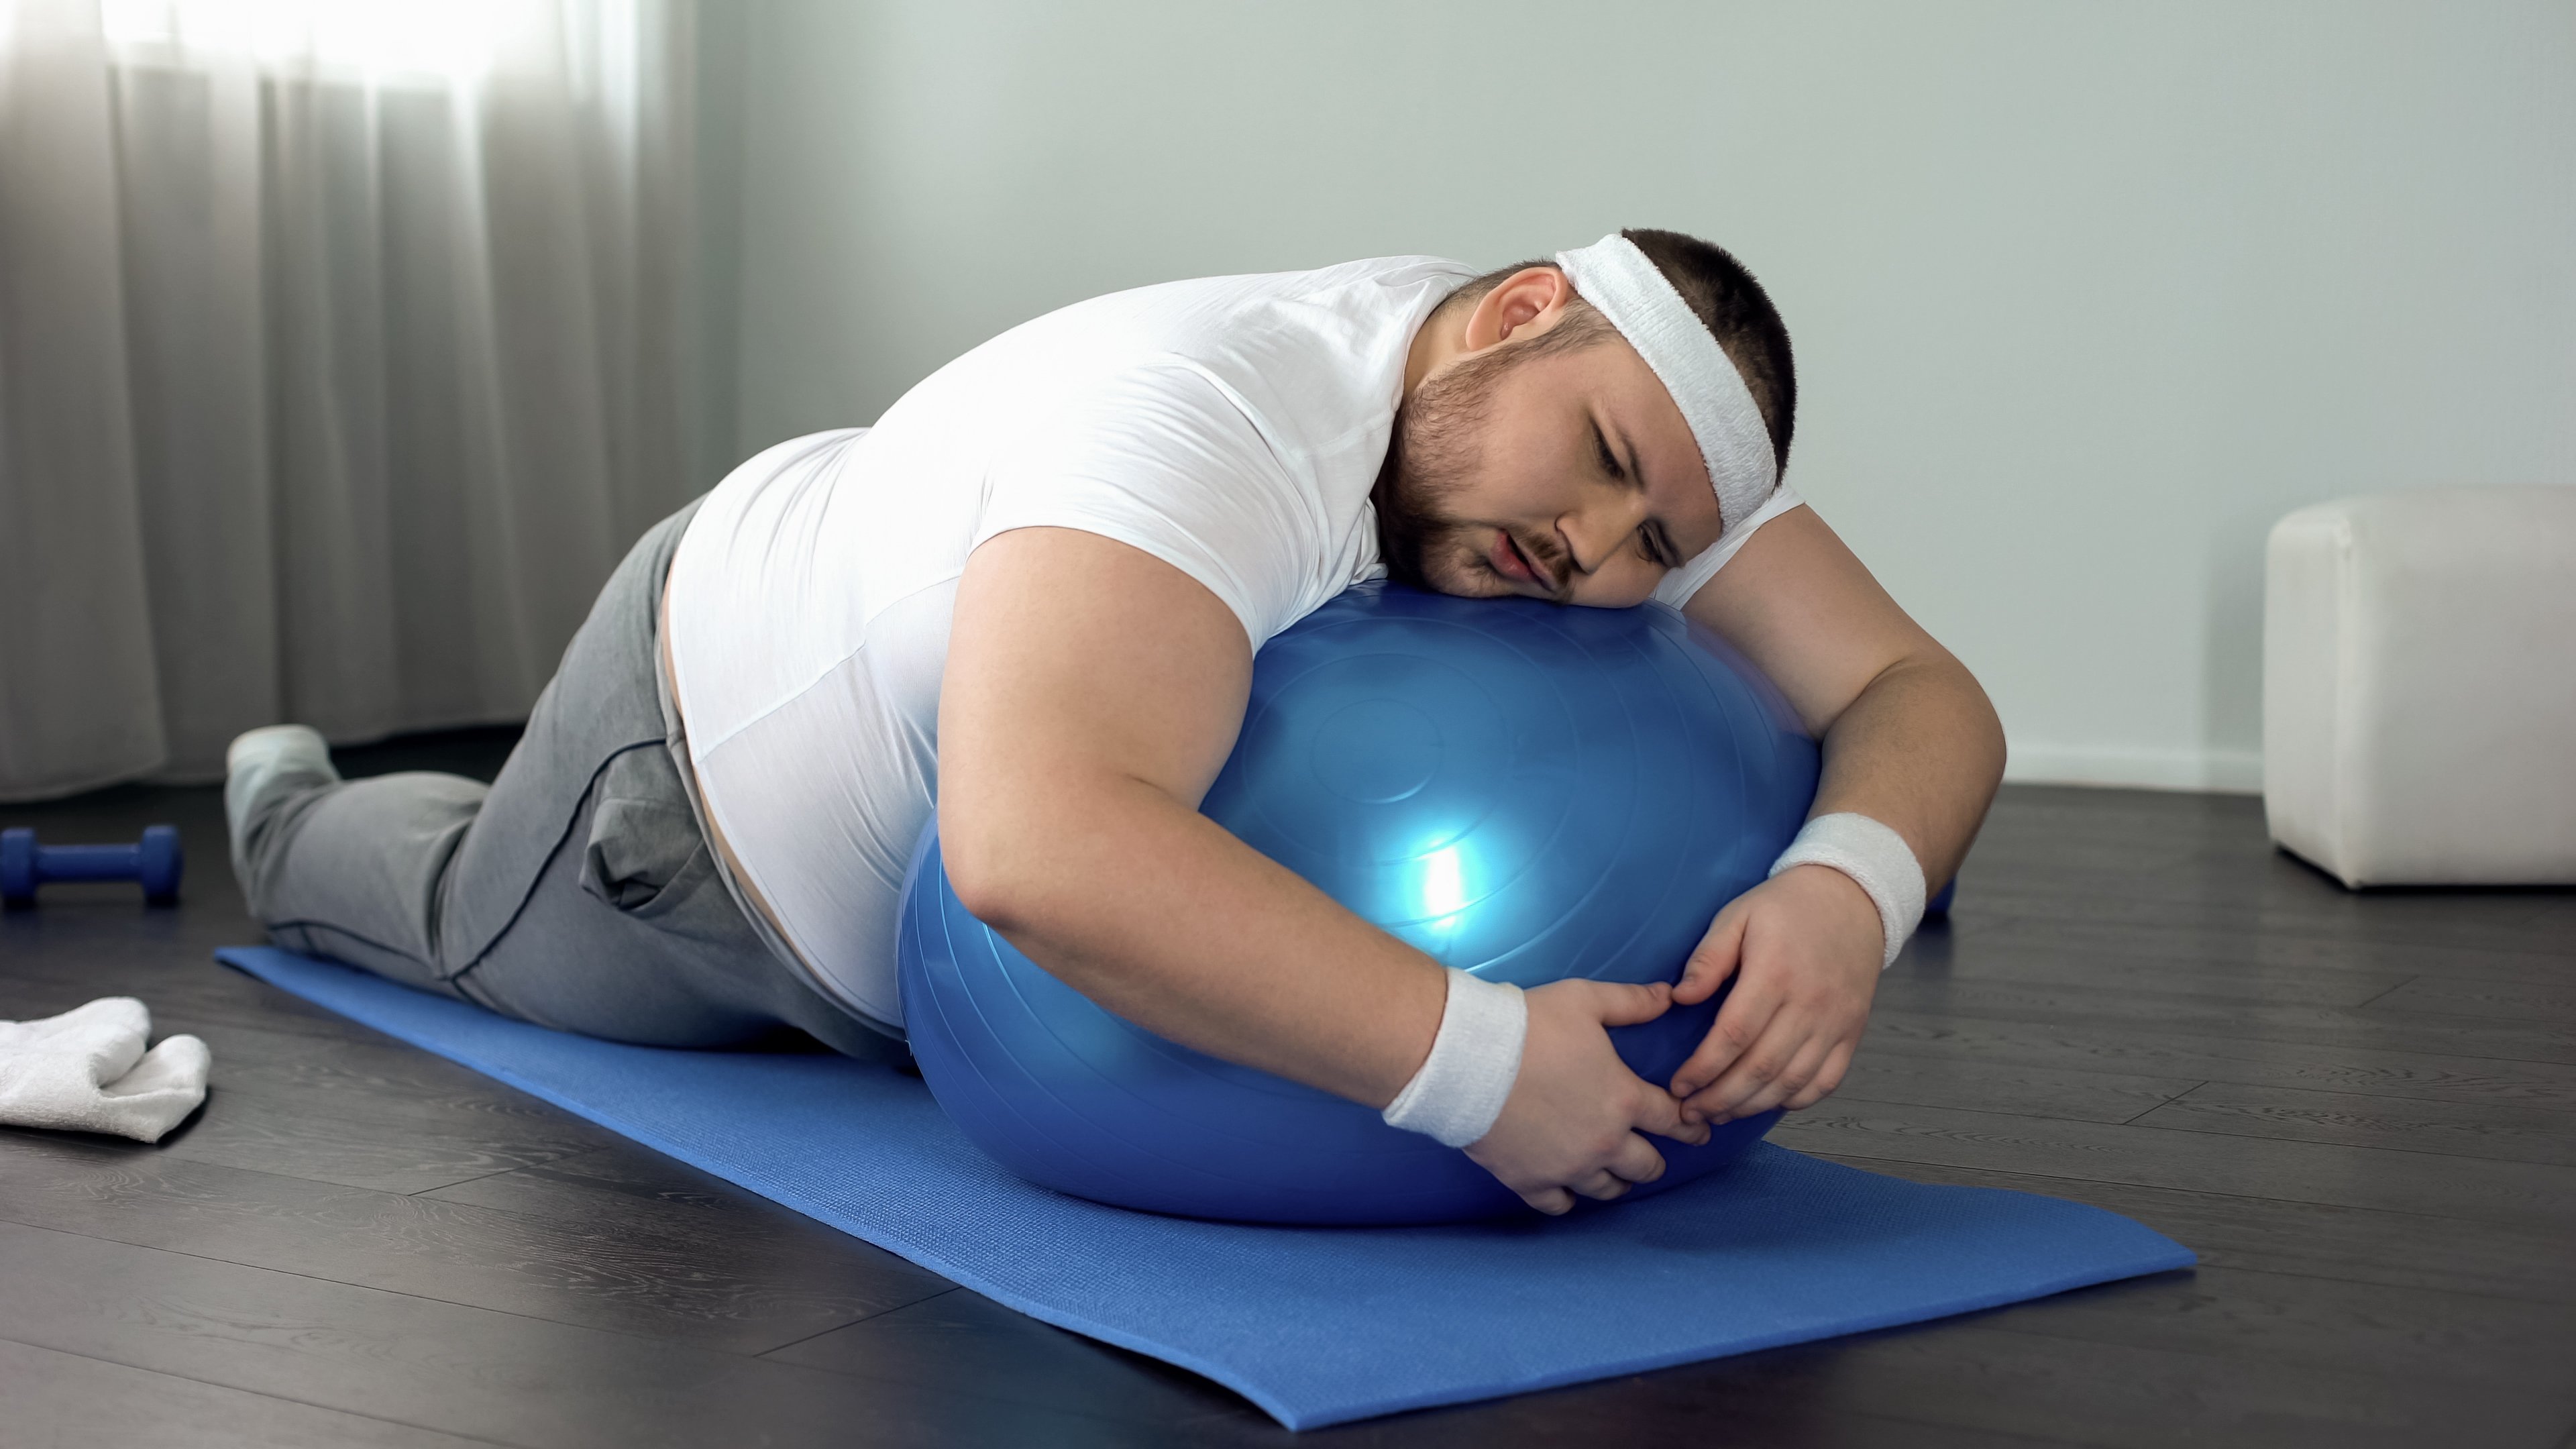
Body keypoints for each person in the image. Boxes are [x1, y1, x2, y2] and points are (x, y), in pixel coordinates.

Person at [226, 229, 2005, 1216]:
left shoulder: (1609, 438)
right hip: (689, 797)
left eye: (1662, 548)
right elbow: (1039, 848)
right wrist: (1482, 1071)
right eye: (1607, 469)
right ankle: (285, 799)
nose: (1597, 552)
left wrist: (1851, 892)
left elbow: (1925, 696)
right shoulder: (1219, 426)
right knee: (453, 905)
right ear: (1523, 310)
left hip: (939, 737)